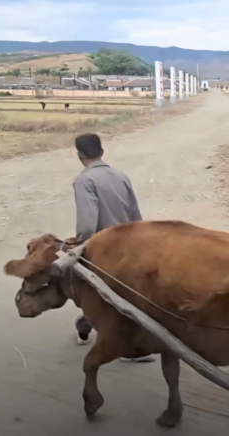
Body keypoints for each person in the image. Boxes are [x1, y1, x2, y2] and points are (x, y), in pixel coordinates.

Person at [70, 133, 154, 363]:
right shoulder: (121, 176)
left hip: (104, 249)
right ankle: (120, 342)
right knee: (117, 295)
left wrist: (80, 244)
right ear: (102, 152)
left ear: (80, 156)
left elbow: (87, 223)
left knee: (113, 295)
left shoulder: (84, 181)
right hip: (129, 245)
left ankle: (86, 326)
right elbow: (135, 213)